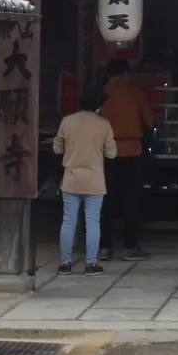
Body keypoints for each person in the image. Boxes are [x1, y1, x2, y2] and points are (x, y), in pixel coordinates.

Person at [51, 86, 115, 274]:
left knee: (69, 221)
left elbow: (57, 148)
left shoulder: (67, 122)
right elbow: (111, 153)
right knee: (93, 221)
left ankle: (65, 263)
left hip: (71, 179)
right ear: (98, 105)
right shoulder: (104, 124)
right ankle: (91, 264)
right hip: (94, 180)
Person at [98, 58, 157, 261]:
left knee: (104, 199)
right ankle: (130, 247)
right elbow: (150, 121)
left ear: (107, 74)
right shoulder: (136, 93)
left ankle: (104, 247)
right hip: (132, 149)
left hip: (106, 151)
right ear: (126, 74)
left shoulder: (101, 94)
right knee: (132, 200)